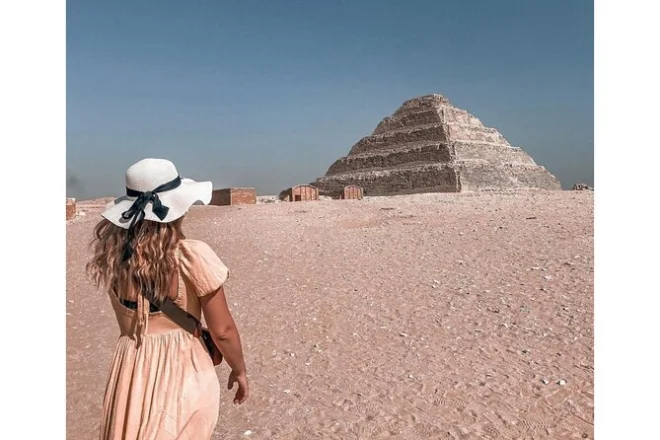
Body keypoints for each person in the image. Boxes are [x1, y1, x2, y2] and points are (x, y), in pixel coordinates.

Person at [86, 158, 249, 440]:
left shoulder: (113, 259)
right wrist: (240, 370)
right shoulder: (190, 255)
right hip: (181, 366)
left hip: (131, 369)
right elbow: (222, 330)